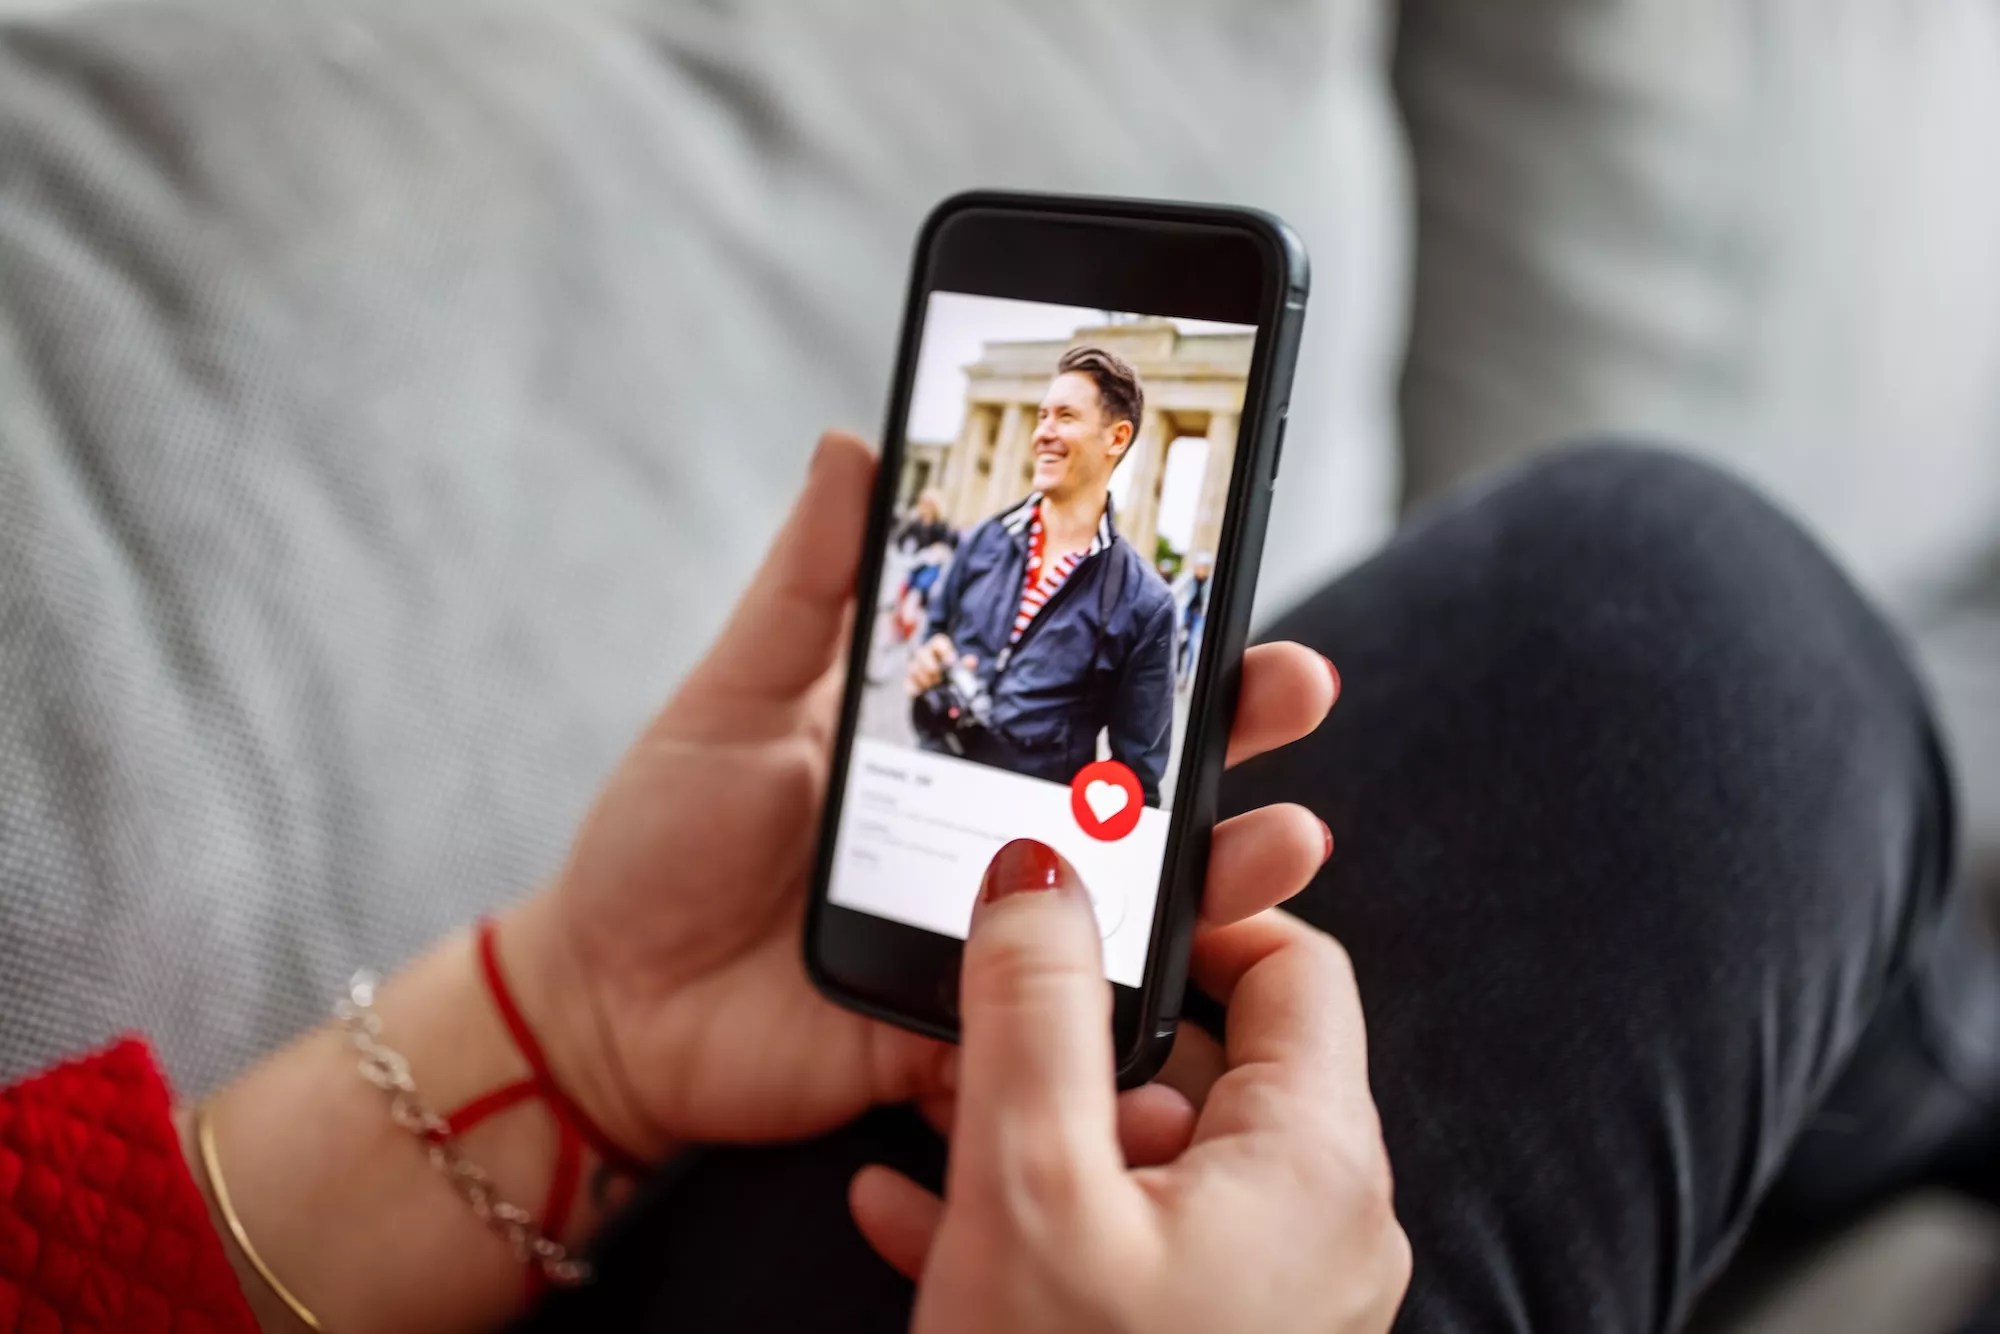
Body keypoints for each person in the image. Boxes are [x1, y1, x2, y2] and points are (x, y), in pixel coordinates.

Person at [5, 434, 1999, 1334]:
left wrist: (573, 1020)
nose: (1041, 441)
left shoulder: (1118, 583)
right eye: (1031, 421)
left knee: (1667, 642)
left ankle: (1896, 1128)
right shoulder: (982, 557)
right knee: (1682, 654)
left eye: (1068, 423)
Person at [906, 346, 1177, 805]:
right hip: (935, 783)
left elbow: (1137, 779)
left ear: (1116, 438)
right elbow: (935, 628)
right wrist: (927, 656)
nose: (1043, 434)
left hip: (1028, 821)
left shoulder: (1146, 603)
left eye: (1065, 417)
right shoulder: (984, 539)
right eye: (1042, 416)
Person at [890, 488, 957, 642]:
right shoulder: (915, 523)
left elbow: (948, 545)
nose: (925, 507)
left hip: (931, 568)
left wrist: (938, 550)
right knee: (904, 591)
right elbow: (901, 541)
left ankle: (911, 623)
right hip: (914, 564)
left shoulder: (941, 526)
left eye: (929, 503)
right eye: (923, 503)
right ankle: (902, 625)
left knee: (918, 592)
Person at [1174, 553, 1213, 688]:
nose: (1200, 569)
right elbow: (1175, 591)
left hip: (1198, 617)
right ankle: (1176, 672)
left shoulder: (1210, 582)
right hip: (1186, 614)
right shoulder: (1189, 578)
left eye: (1203, 567)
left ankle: (1185, 676)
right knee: (1179, 643)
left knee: (1192, 645)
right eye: (1198, 566)